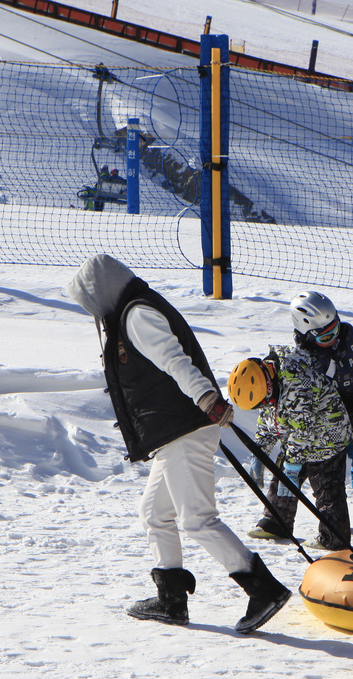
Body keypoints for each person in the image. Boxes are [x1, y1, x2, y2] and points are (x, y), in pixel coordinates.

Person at [65, 254, 291, 634]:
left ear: (102, 291)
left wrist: (207, 398)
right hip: (174, 432)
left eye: (90, 300)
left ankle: (263, 589)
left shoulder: (137, 316)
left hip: (185, 427)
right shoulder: (129, 314)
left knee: (197, 519)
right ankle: (171, 598)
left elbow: (176, 361)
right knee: (154, 512)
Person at [228, 346, 353, 550]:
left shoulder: (298, 383)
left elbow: (303, 430)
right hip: (297, 438)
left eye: (264, 402)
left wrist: (292, 467)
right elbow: (268, 421)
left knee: (326, 488)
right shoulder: (272, 383)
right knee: (281, 477)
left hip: (328, 438)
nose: (264, 406)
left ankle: (334, 536)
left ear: (268, 387)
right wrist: (259, 456)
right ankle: (277, 523)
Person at [289, 291, 353, 523]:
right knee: (321, 471)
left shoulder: (349, 336)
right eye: (325, 337)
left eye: (335, 329)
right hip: (327, 426)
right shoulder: (303, 360)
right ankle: (291, 507)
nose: (333, 338)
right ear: (307, 335)